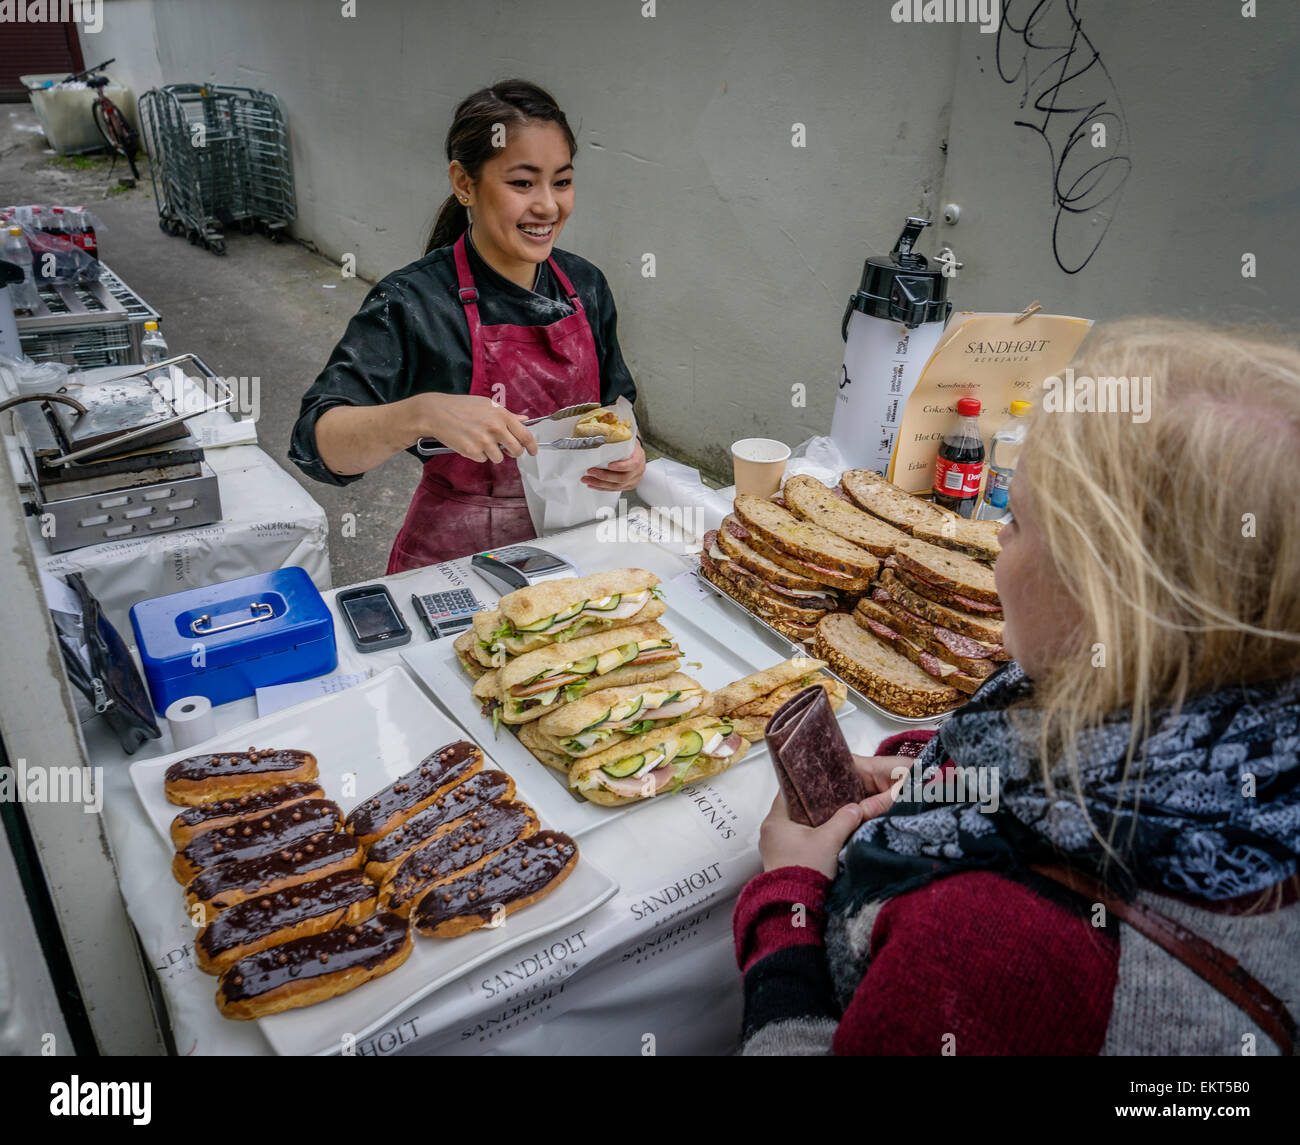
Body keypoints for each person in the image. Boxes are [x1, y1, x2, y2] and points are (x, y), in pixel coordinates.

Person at [734, 320, 1300, 1054]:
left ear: (1101, 600)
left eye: (1020, 520)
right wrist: (943, 773)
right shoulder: (1248, 733)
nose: (994, 535)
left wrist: (792, 902)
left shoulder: (994, 946)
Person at [289, 80, 645, 572]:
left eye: (561, 181)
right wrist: (421, 413)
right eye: (522, 183)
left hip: (576, 551)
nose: (547, 205)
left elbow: (617, 407)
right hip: (456, 564)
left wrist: (629, 455)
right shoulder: (415, 302)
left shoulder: (585, 285)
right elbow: (315, 444)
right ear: (464, 184)